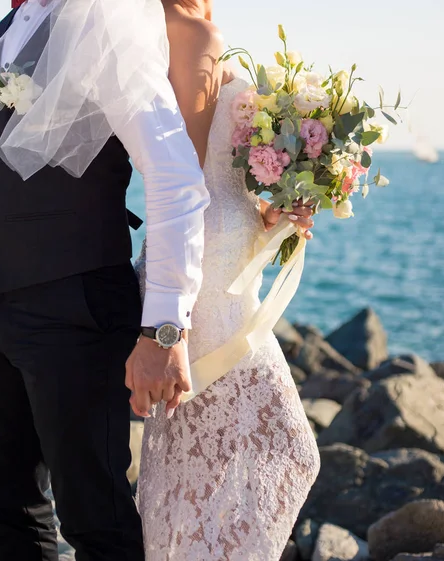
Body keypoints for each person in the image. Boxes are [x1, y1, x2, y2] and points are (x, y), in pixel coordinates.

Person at [0, 0, 210, 559]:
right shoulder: (3, 31)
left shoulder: (109, 22)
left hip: (74, 306)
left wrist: (163, 329)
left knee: (96, 519)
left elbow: (176, 180)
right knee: (5, 504)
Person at [135, 1, 321, 559]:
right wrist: (173, 321)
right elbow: (182, 178)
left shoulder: (173, 22)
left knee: (197, 453)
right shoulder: (191, 29)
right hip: (202, 256)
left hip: (219, 243)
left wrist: (267, 213)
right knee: (288, 445)